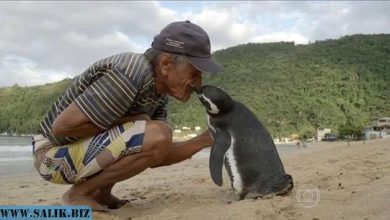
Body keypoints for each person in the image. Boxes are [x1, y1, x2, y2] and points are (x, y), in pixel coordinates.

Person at [32, 20, 222, 211]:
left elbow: (157, 153)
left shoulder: (158, 94)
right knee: (155, 132)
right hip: (50, 156)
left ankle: (101, 193)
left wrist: (207, 139)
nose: (198, 83)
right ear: (165, 64)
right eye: (194, 73)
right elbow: (62, 128)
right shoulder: (130, 72)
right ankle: (77, 195)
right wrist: (133, 120)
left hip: (74, 152)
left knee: (157, 134)